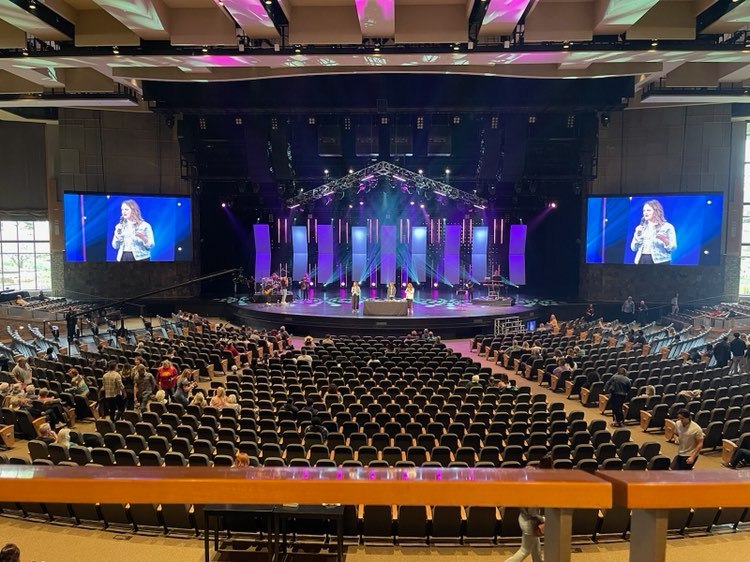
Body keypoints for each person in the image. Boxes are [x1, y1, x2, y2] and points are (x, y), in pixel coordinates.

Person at [504, 454, 552, 562]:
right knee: (524, 550)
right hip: (530, 523)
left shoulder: (530, 472)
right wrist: (544, 519)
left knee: (536, 549)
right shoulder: (534, 488)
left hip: (524, 517)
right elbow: (533, 513)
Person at [630, 199, 676, 264]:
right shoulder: (640, 228)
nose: (645, 213)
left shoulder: (667, 227)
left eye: (648, 210)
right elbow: (633, 248)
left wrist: (665, 241)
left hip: (660, 261)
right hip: (641, 260)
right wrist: (637, 235)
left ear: (656, 211)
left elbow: (673, 248)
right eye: (644, 211)